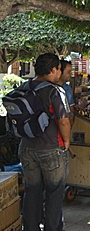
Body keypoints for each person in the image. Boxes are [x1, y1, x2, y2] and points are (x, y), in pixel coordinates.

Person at [19, 53, 71, 231]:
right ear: (53, 69)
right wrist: (67, 141)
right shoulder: (54, 91)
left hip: (26, 147)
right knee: (54, 193)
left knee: (31, 191)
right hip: (51, 148)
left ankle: (30, 228)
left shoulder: (24, 86)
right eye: (58, 69)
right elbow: (63, 120)